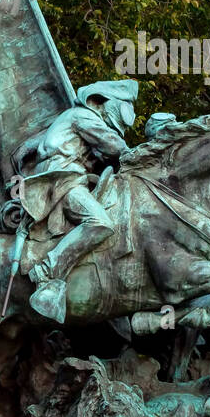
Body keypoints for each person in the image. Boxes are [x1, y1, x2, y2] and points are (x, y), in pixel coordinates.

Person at [18, 80, 139, 322]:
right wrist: (140, 155)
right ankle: (47, 271)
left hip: (72, 179)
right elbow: (113, 145)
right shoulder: (82, 116)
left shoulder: (81, 120)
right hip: (62, 180)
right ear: (100, 103)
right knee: (100, 221)